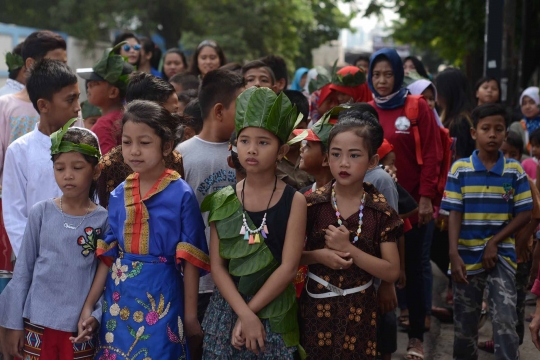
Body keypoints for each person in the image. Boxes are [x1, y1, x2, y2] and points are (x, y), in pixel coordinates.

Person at [76, 100, 209, 359]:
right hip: (119, 295)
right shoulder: (117, 195)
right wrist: (90, 305)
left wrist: (191, 315)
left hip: (163, 297)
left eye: (144, 143)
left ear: (166, 146)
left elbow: (190, 258)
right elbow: (108, 256)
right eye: (127, 142)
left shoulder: (182, 194)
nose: (134, 151)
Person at [201, 86, 307, 359]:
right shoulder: (222, 199)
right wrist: (243, 314)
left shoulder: (294, 201)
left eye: (263, 142)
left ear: (282, 150)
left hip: (274, 309)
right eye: (245, 141)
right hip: (227, 309)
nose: (252, 149)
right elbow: (218, 266)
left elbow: (288, 267)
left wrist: (251, 315)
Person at [299, 106, 401, 359]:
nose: (344, 163)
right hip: (315, 307)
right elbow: (290, 257)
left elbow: (391, 270)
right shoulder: (309, 204)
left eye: (354, 155)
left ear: (373, 161)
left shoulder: (381, 211)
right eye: (336, 154)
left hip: (361, 312)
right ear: (326, 158)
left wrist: (349, 249)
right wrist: (320, 256)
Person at [0, 121, 105, 360]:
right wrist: (13, 324)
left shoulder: (103, 219)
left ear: (96, 170)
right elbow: (23, 271)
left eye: (77, 167)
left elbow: (104, 275)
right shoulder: (41, 212)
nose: (67, 175)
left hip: (78, 327)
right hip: (37, 324)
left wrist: (95, 315)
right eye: (59, 168)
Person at [368, 48, 442, 360]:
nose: (382, 80)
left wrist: (426, 198)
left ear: (398, 75)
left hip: (412, 206)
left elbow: (434, 155)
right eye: (376, 75)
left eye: (388, 74)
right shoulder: (367, 109)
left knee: (413, 267)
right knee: (385, 271)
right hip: (376, 207)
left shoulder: (417, 108)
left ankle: (416, 339)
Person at [443, 103, 532, 360]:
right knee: (465, 324)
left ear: (506, 133)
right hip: (465, 257)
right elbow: (454, 213)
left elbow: (525, 212)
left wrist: (495, 241)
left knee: (505, 320)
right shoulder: (460, 169)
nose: (492, 134)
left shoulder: (514, 170)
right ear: (474, 133)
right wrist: (453, 254)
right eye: (486, 129)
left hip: (502, 255)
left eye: (498, 129)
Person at [176, 69, 243, 327]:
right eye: (242, 106)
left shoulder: (247, 154)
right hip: (198, 283)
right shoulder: (182, 156)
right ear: (218, 111)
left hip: (239, 278)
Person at [3, 59, 80, 258]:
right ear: (44, 105)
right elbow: (14, 214)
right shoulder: (19, 151)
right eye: (70, 100)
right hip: (38, 258)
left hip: (81, 253)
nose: (78, 108)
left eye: (78, 98)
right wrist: (32, 259)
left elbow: (96, 200)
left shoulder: (87, 143)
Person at [473, 130, 540, 353]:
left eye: (514, 153)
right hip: (496, 252)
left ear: (520, 154)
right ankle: (501, 340)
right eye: (505, 152)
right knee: (499, 302)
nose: (509, 157)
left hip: (519, 254)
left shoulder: (522, 178)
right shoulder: (488, 177)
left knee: (516, 302)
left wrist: (521, 241)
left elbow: (535, 214)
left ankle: (514, 343)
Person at [96, 72, 184, 208]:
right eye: (170, 113)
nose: (175, 120)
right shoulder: (110, 166)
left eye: (144, 143)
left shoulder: (175, 159)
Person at [0, 30, 68, 183]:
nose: (62, 70)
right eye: (55, 63)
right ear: (30, 64)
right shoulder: (5, 106)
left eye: (64, 64)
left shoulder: (70, 106)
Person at [77, 43, 134, 154]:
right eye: (90, 83)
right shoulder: (130, 116)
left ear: (113, 92)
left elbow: (108, 166)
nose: (89, 85)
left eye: (95, 83)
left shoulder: (103, 126)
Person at [434, 68, 476, 159]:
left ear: (448, 93)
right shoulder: (465, 118)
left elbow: (456, 161)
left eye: (438, 91)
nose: (436, 97)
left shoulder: (458, 123)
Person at [276, 90, 314, 190]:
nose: (292, 137)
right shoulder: (269, 160)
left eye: (299, 128)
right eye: (285, 129)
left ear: (308, 123)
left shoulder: (314, 155)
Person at [509, 86, 540, 157]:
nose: (527, 107)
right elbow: (514, 152)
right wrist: (533, 162)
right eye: (524, 103)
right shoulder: (517, 126)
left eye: (532, 102)